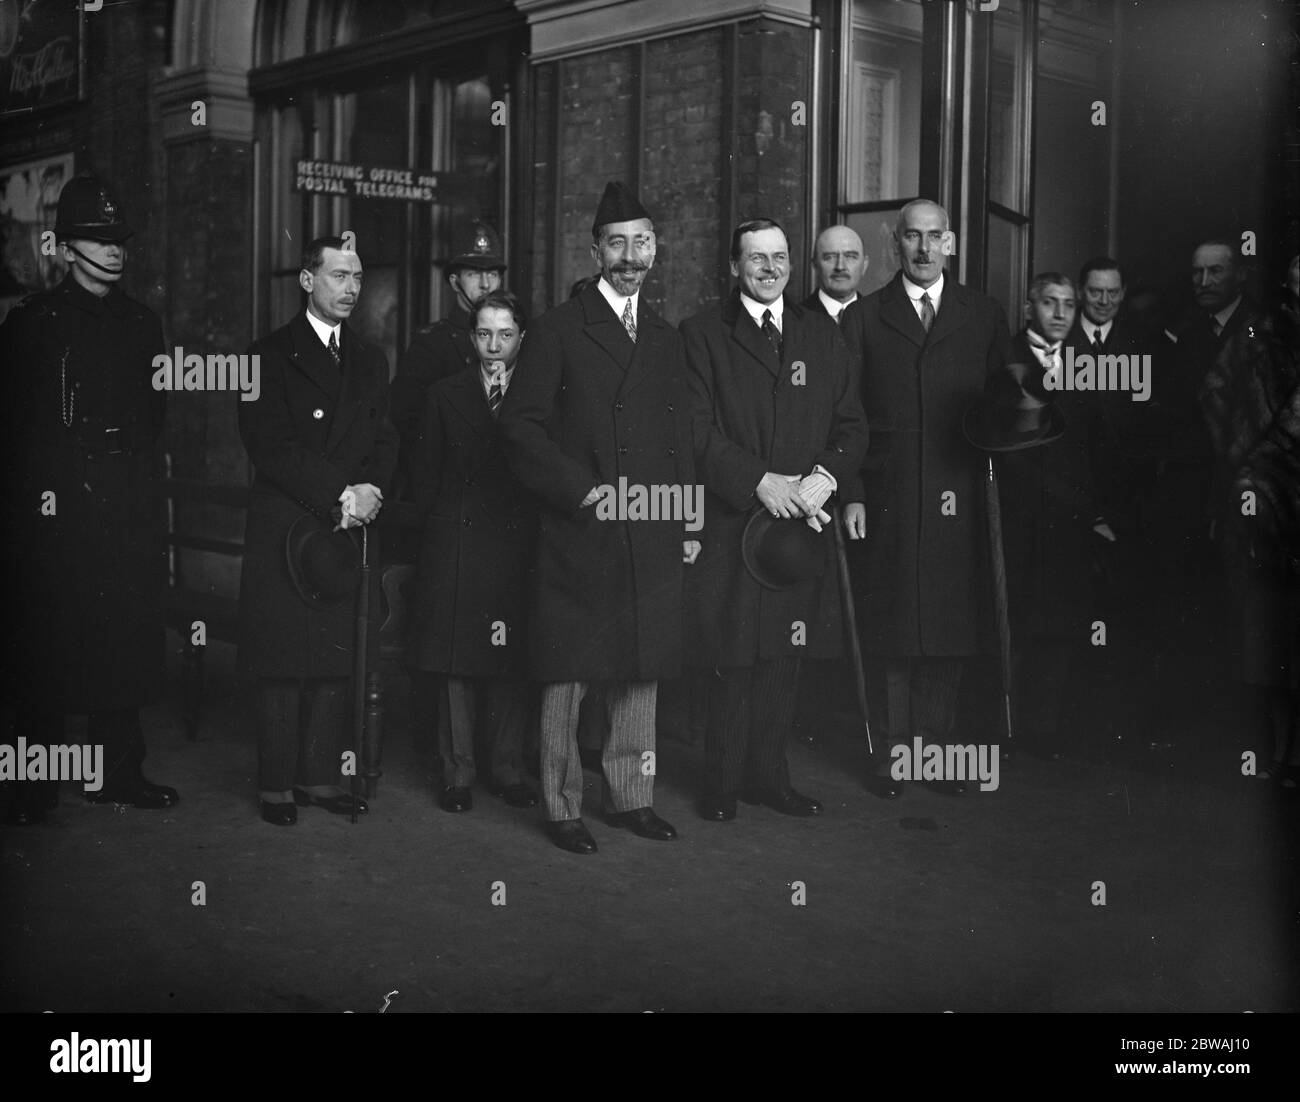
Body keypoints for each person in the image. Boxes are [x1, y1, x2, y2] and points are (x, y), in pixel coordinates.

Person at [498, 181, 696, 855]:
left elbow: (684, 439)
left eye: (642, 242)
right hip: (582, 529)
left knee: (640, 668)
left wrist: (684, 519)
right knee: (569, 673)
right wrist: (581, 492)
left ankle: (632, 797)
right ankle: (561, 807)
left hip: (651, 529)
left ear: (655, 250)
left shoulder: (667, 339)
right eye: (617, 243)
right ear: (595, 250)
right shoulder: (558, 328)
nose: (630, 255)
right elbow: (520, 429)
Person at [0, 173, 178, 825]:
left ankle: (118, 775)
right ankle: (32, 786)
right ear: (65, 246)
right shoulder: (33, 324)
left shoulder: (140, 323)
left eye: (118, 240)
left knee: (120, 638)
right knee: (45, 641)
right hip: (53, 507)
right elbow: (14, 427)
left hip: (124, 501)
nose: (112, 250)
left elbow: (154, 415)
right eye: (97, 239)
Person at [681, 218, 867, 821]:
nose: (769, 268)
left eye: (780, 257)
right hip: (733, 522)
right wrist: (758, 480)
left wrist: (825, 477)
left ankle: (770, 779)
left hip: (799, 527)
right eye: (756, 258)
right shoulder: (702, 334)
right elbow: (694, 430)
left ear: (793, 264)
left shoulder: (823, 335)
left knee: (785, 656)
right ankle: (722, 785)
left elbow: (852, 425)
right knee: (732, 656)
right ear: (734, 267)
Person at [840, 198, 1010, 797]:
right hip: (890, 496)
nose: (923, 249)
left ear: (952, 243)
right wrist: (854, 491)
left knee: (948, 626)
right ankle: (890, 755)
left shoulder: (984, 315)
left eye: (934, 237)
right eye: (911, 237)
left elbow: (1005, 410)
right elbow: (848, 415)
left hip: (959, 493)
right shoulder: (863, 319)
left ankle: (933, 755)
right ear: (894, 244)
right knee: (893, 623)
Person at [238, 236, 398, 826]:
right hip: (288, 525)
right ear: (308, 281)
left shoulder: (371, 359)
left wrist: (370, 491)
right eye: (337, 276)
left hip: (348, 526)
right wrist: (341, 493)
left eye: (357, 277)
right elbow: (269, 445)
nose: (351, 288)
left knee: (335, 657)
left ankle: (321, 777)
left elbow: (386, 440)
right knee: (283, 657)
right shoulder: (266, 357)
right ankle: (277, 784)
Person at [409, 291, 537, 813]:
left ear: (521, 339)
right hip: (458, 544)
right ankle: (456, 772)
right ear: (470, 337)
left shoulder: (537, 393)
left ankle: (506, 769)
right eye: (483, 333)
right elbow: (422, 473)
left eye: (505, 335)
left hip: (514, 543)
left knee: (509, 659)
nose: (493, 345)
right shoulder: (444, 394)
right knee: (456, 663)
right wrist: (442, 532)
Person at [997, 274, 1120, 758]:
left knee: (1060, 623)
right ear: (1030, 307)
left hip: (1070, 519)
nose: (1061, 313)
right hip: (1021, 514)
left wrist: (1093, 509)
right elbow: (1002, 444)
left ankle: (1041, 732)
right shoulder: (1006, 359)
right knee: (1018, 619)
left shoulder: (1085, 364)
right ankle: (1004, 727)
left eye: (1069, 304)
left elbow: (1095, 445)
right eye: (1050, 303)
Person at [391, 222, 507, 492]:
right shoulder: (432, 344)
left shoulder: (517, 341)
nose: (486, 284)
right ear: (455, 281)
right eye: (474, 274)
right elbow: (406, 425)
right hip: (452, 489)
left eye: (492, 273)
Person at [803, 225, 867, 323]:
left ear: (864, 265)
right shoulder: (791, 320)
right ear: (815, 265)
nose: (840, 267)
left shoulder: (877, 319)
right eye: (830, 257)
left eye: (850, 257)